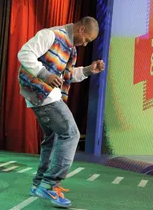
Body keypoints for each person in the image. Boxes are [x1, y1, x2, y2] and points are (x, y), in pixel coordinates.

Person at [17, 16, 105, 208]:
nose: (85, 44)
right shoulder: (52, 35)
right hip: (43, 95)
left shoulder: (70, 48)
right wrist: (44, 74)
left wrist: (89, 70)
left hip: (46, 96)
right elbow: (24, 53)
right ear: (81, 29)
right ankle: (49, 184)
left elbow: (67, 75)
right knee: (71, 134)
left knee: (53, 138)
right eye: (87, 39)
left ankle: (39, 183)